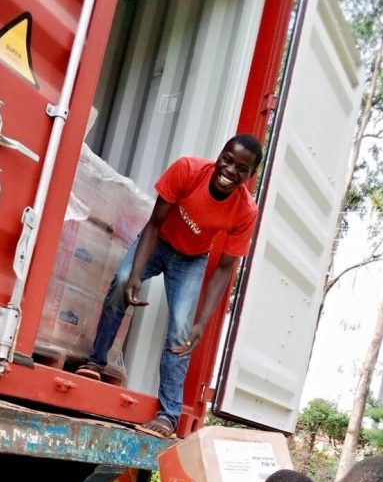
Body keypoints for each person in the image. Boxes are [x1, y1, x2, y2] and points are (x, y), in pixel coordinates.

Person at [76, 133, 263, 438]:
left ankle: (168, 415)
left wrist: (202, 321)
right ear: (220, 155)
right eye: (227, 160)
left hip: (191, 260)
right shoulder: (188, 170)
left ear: (250, 175)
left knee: (181, 332)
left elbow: (224, 268)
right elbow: (154, 224)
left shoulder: (245, 211)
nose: (230, 170)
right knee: (122, 282)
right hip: (158, 241)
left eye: (241, 168)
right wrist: (136, 273)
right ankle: (96, 362)